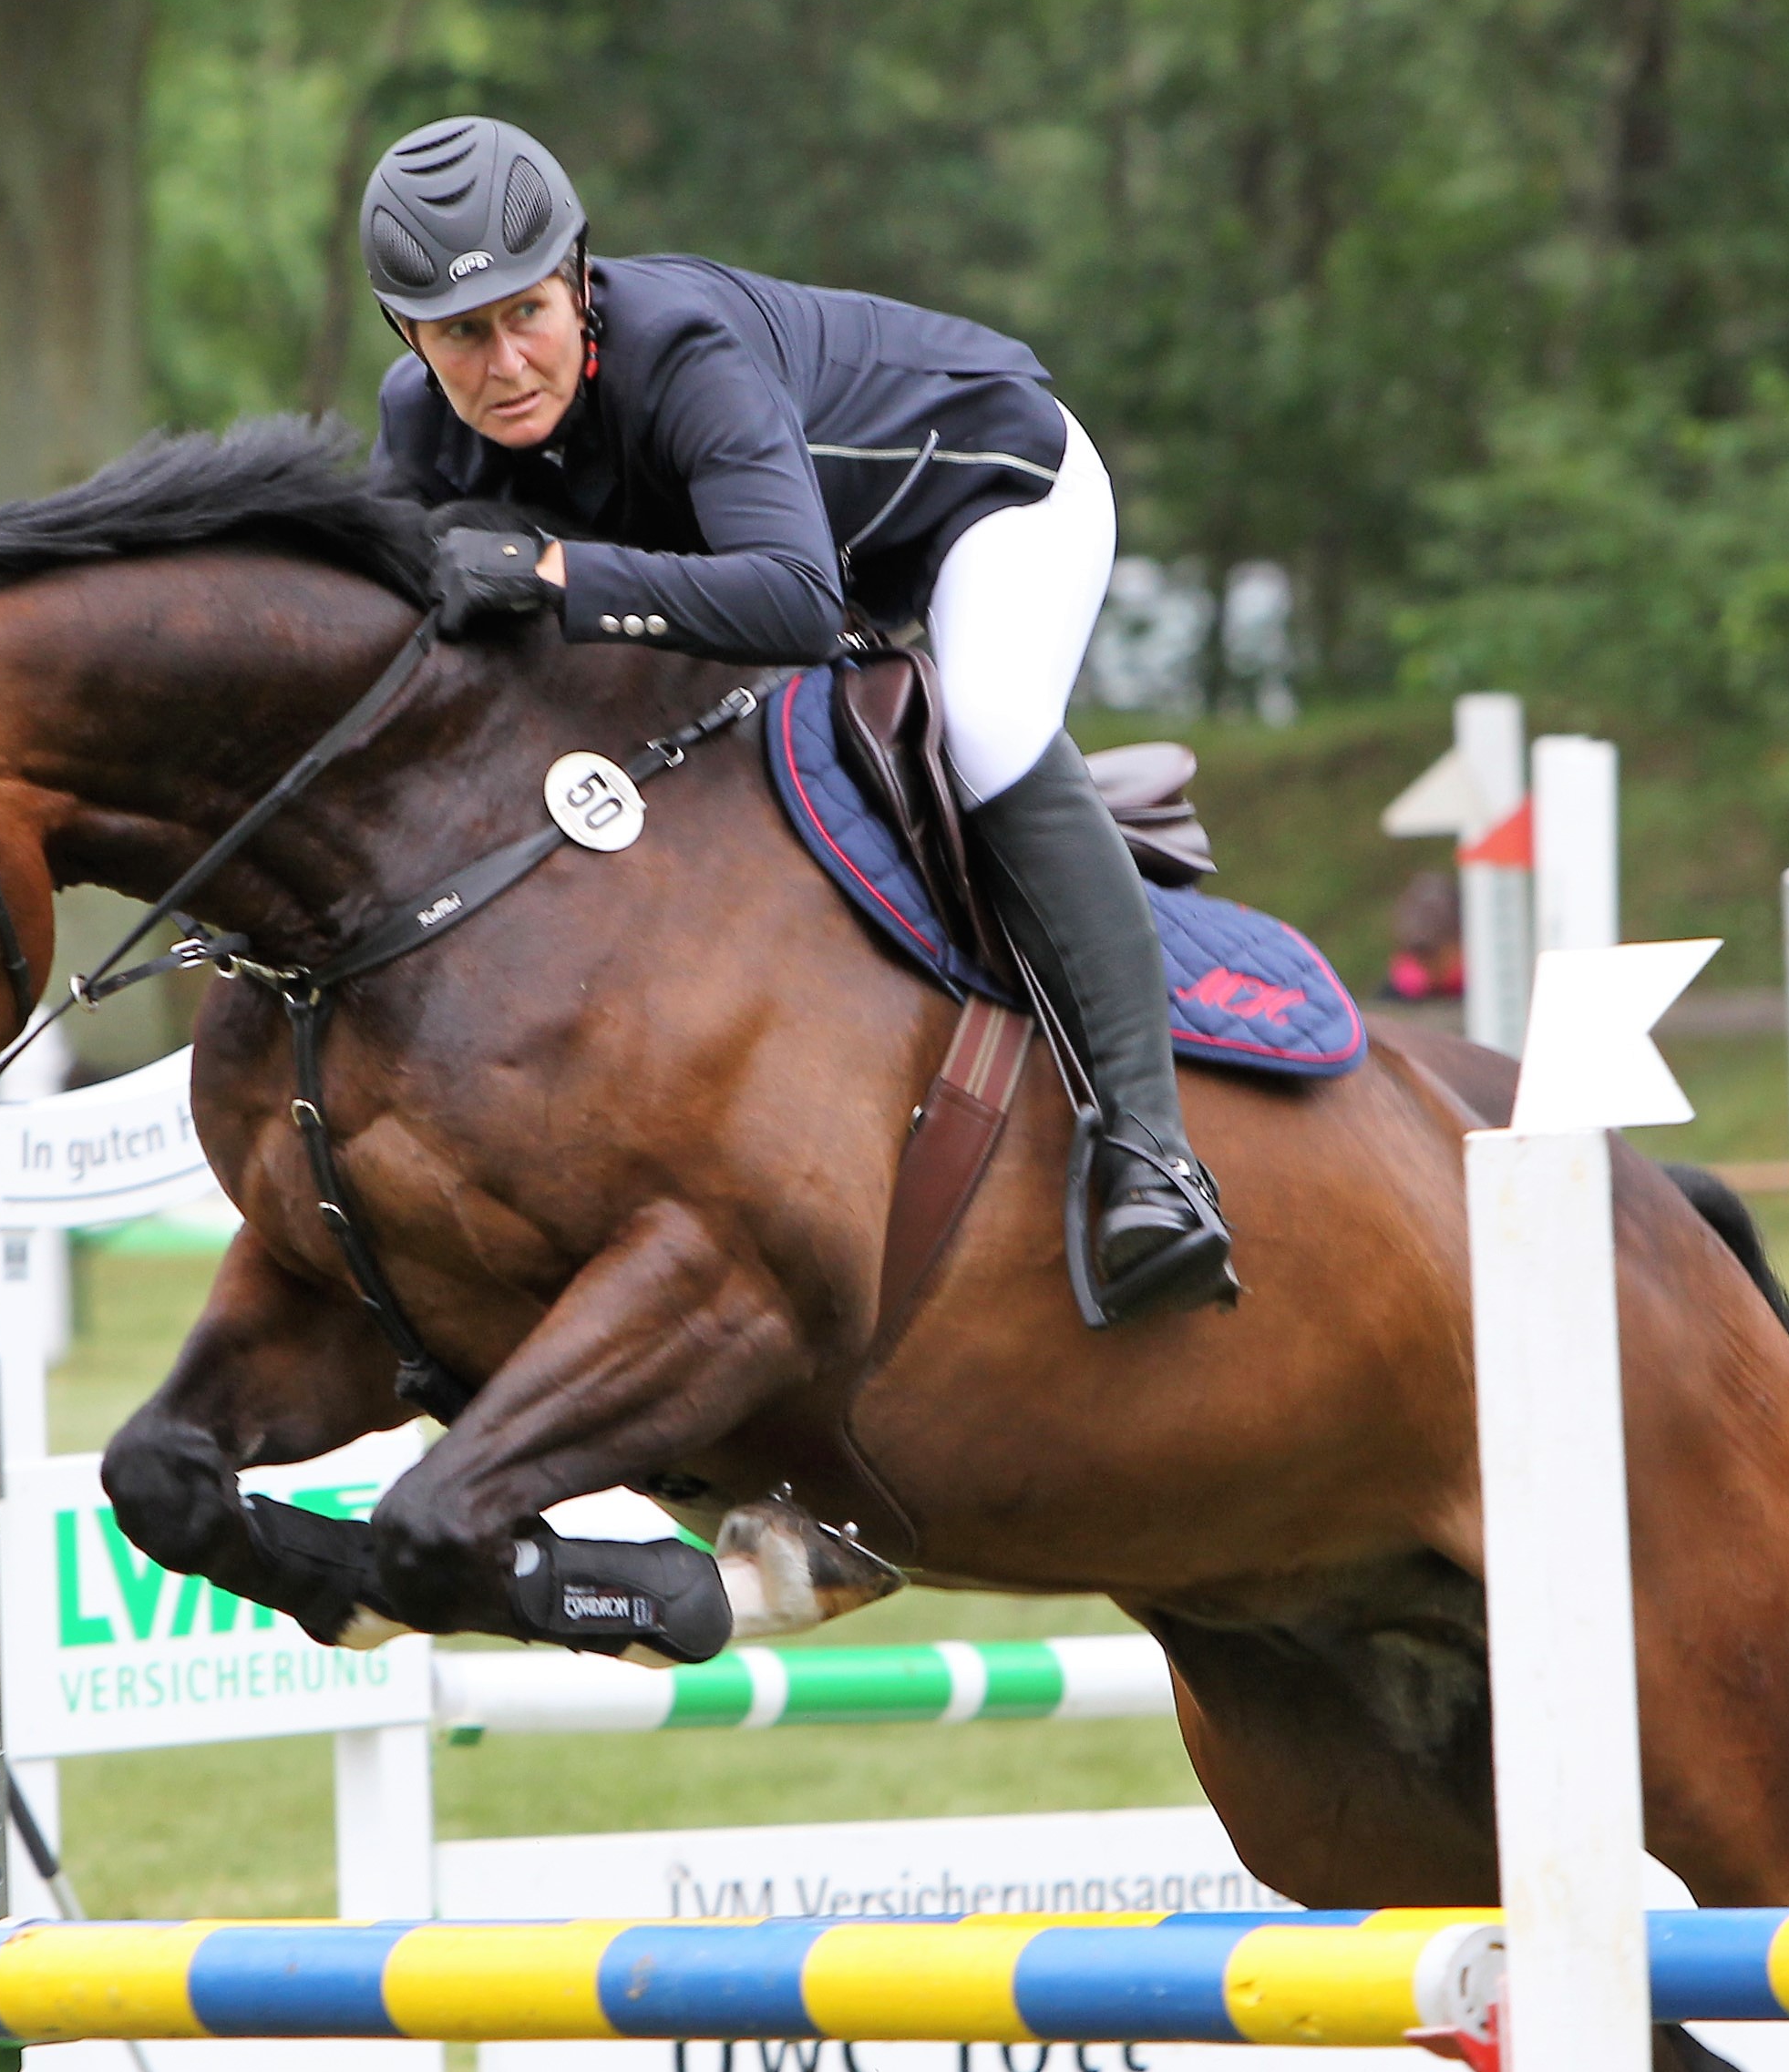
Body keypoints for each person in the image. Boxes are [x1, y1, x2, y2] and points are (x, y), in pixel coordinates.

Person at [362, 117, 1232, 1322]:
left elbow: (790, 599)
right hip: (823, 549)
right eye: (463, 333)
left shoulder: (685, 355)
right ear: (407, 336)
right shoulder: (416, 423)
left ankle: (1156, 1155)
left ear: (576, 282)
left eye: (527, 314)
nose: (505, 361)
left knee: (979, 727)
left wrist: (556, 573)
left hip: (994, 494)